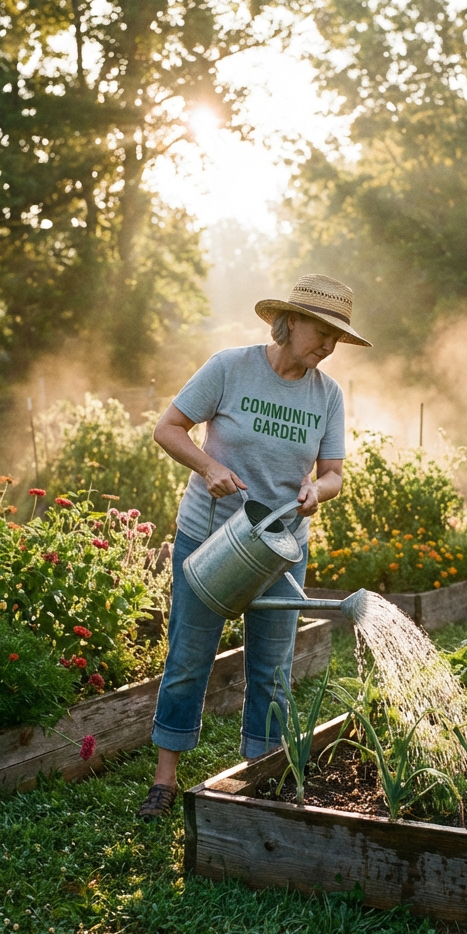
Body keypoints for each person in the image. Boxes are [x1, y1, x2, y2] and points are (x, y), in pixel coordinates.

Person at [137, 274, 370, 821]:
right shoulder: (229, 367)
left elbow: (335, 472)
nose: (330, 346)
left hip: (280, 549)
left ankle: (260, 780)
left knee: (272, 670)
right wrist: (210, 466)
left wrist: (319, 490)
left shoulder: (327, 395)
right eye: (323, 331)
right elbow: (168, 428)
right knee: (189, 659)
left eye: (339, 337)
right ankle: (165, 782)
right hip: (211, 536)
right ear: (289, 323)